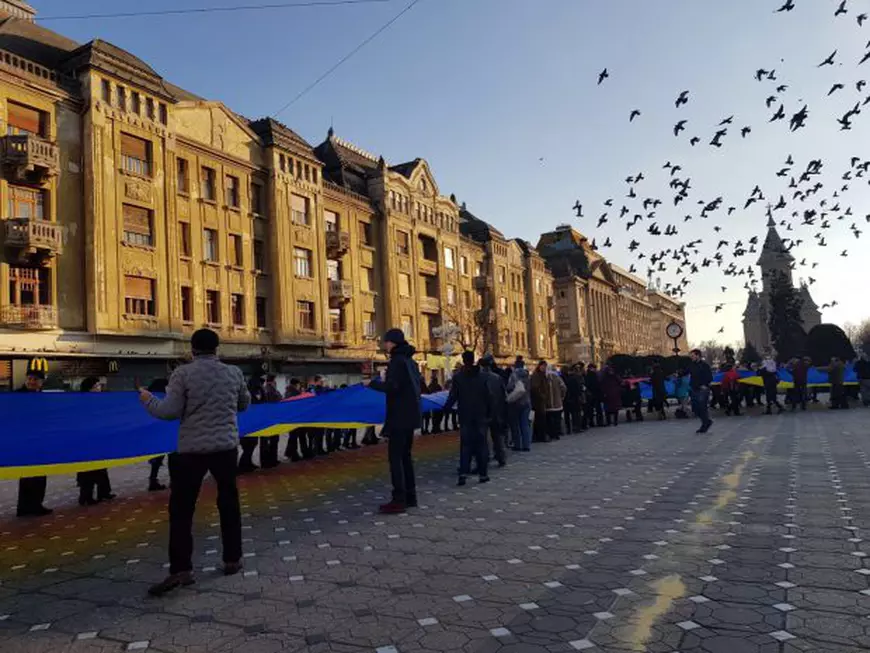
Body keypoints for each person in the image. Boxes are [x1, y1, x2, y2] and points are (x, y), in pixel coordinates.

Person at [139, 328, 250, 596]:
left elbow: (169, 411)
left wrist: (148, 400)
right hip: (225, 447)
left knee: (182, 509)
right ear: (217, 348)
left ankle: (181, 570)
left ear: (192, 349)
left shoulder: (183, 374)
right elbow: (244, 404)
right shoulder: (234, 373)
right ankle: (232, 559)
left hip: (192, 450)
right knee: (229, 503)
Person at [368, 329, 422, 514]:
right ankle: (410, 496)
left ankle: (399, 499)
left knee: (396, 458)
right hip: (410, 416)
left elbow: (393, 387)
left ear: (393, 343)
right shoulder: (411, 362)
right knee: (406, 457)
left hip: (399, 417)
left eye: (386, 342)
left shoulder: (397, 362)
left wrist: (372, 384)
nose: (385, 345)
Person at [443, 351, 493, 486]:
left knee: (466, 446)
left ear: (464, 360)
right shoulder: (483, 377)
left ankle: (463, 474)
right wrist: (490, 414)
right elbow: (489, 396)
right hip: (481, 415)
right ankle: (483, 474)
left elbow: (453, 395)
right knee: (481, 445)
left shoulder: (459, 377)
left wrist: (446, 409)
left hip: (465, 415)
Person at [16, 369, 52, 518]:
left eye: (35, 379)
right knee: (27, 475)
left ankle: (35, 504)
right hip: (24, 441)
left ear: (41, 382)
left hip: (40, 440)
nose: (31, 382)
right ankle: (25, 507)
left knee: (39, 474)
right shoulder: (16, 396)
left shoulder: (42, 397)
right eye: (29, 379)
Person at [76, 376, 116, 506]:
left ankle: (103, 492)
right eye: (96, 386)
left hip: (98, 438)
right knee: (88, 468)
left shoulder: (100, 402)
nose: (99, 388)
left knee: (100, 466)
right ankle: (86, 495)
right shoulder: (82, 403)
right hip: (87, 440)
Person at [480, 354, 507, 467]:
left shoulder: (479, 378)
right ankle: (501, 457)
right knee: (497, 436)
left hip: (484, 411)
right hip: (497, 411)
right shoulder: (497, 377)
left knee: (483, 438)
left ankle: (484, 459)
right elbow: (503, 394)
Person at [238, 376, 265, 473]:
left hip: (251, 423)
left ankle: (248, 463)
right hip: (249, 423)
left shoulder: (250, 392)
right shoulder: (251, 394)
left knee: (252, 444)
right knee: (249, 445)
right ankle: (243, 465)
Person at [147, 378, 169, 491]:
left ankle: (153, 480)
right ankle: (154, 480)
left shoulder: (151, 398)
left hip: (157, 432)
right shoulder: (164, 397)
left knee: (157, 458)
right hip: (164, 432)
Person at [507, 356, 532, 452]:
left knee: (515, 425)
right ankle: (527, 445)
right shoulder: (527, 375)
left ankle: (518, 445)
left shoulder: (514, 375)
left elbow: (509, 387)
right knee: (525, 424)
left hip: (516, 403)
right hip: (526, 402)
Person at [259, 375, 283, 468]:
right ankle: (271, 460)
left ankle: (265, 461)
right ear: (273, 381)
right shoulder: (272, 391)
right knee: (273, 440)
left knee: (265, 441)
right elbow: (279, 399)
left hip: (265, 419)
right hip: (272, 419)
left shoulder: (263, 389)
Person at [688, 349, 713, 433]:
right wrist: (679, 374)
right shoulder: (691, 365)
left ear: (698, 355)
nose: (691, 357)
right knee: (695, 408)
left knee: (702, 407)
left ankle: (704, 425)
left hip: (702, 390)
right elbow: (686, 371)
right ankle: (707, 422)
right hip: (694, 389)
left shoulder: (704, 365)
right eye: (691, 356)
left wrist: (705, 385)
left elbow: (710, 377)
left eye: (692, 356)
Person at [283, 378, 305, 461]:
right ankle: (294, 455)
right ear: (296, 384)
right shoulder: (296, 393)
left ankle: (288, 453)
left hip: (289, 417)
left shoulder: (287, 392)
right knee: (294, 437)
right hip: (295, 417)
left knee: (292, 436)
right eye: (299, 384)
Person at [544, 363, 567, 440]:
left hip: (548, 404)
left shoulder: (545, 377)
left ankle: (551, 434)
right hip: (557, 403)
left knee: (549, 420)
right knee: (557, 419)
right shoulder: (557, 377)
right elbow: (564, 387)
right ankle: (556, 434)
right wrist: (562, 396)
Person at [563, 364, 584, 433]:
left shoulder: (568, 378)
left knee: (575, 413)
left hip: (571, 398)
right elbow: (577, 388)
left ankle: (574, 427)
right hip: (575, 397)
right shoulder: (574, 378)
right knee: (576, 413)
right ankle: (577, 427)